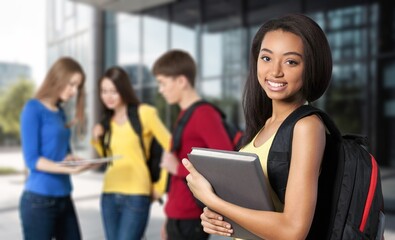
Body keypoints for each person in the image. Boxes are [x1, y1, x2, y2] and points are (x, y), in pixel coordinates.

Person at [183, 13, 333, 239]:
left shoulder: (307, 126)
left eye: (291, 61)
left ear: (311, 67)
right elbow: (254, 211)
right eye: (266, 58)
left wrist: (214, 201)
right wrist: (215, 217)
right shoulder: (264, 125)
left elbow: (293, 230)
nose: (275, 71)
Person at [152, 49, 234, 240]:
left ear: (181, 81)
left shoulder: (204, 114)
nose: (160, 90)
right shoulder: (185, 114)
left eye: (163, 83)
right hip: (177, 215)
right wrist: (169, 217)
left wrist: (177, 168)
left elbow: (226, 164)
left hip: (191, 218)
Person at [91, 66, 171, 240]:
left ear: (123, 90)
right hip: (109, 194)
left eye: (113, 91)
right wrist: (97, 139)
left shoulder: (145, 113)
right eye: (104, 91)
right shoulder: (106, 121)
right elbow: (110, 156)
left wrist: (161, 187)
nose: (108, 96)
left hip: (136, 195)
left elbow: (171, 146)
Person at [19, 57, 93, 240]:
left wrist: (72, 159)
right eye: (71, 84)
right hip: (39, 200)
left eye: (78, 87)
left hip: (64, 196)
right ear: (57, 78)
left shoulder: (59, 112)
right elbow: (32, 160)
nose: (74, 91)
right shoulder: (32, 109)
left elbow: (62, 151)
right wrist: (69, 169)